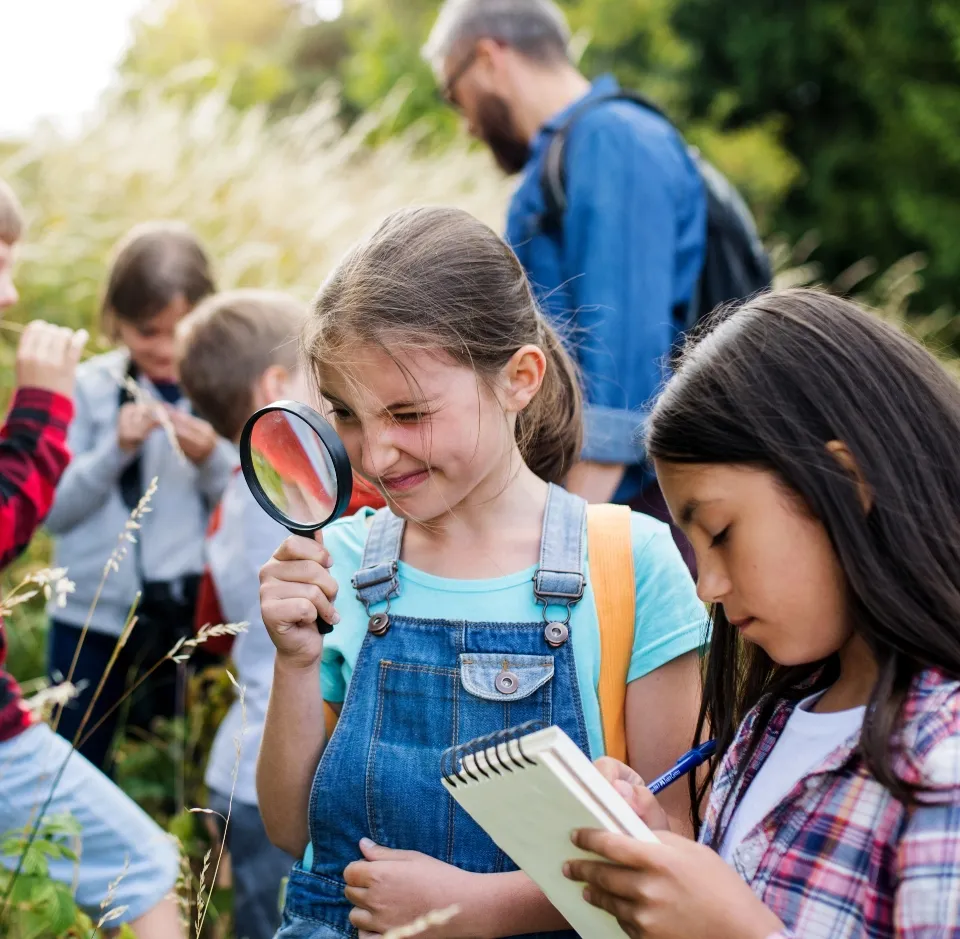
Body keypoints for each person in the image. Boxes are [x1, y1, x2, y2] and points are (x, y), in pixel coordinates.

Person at [256, 206, 706, 938]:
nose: (375, 455)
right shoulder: (338, 559)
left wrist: (484, 907)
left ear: (519, 378)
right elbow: (287, 827)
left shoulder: (628, 562)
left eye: (409, 413)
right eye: (346, 414)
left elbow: (678, 843)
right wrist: (295, 661)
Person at [562, 289, 960, 938]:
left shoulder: (941, 762)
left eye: (720, 531)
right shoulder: (766, 726)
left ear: (846, 483)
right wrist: (660, 858)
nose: (708, 585)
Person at [424, 0, 707, 571]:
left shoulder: (612, 139)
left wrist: (558, 556)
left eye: (456, 96)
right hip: (605, 512)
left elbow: (622, 380)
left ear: (488, 57)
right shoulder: (566, 153)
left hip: (631, 516)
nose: (467, 123)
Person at [0, 177, 184, 938]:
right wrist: (46, 412)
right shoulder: (92, 386)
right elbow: (33, 517)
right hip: (80, 628)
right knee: (142, 861)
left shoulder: (205, 390)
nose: (10, 296)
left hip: (160, 611)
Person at [176, 288, 385, 939]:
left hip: (231, 758)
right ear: (276, 386)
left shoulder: (232, 498)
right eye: (319, 384)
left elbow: (211, 621)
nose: (331, 404)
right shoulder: (314, 503)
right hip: (281, 767)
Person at [45, 221, 237, 773]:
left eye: (181, 331)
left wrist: (211, 461)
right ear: (117, 322)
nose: (165, 350)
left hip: (190, 618)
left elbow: (252, 501)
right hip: (89, 617)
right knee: (75, 763)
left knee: (183, 767)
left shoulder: (224, 392)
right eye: (147, 332)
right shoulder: (87, 388)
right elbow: (54, 512)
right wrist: (114, 451)